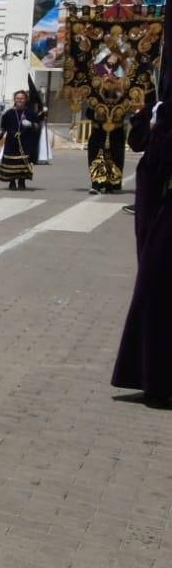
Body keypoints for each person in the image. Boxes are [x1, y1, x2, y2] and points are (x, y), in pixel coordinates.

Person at [112, 80, 170, 407]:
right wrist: (145, 120)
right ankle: (152, 377)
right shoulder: (156, 109)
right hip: (158, 204)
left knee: (156, 286)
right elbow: (139, 144)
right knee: (153, 288)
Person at [0, 89, 39, 190]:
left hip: (25, 141)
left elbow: (37, 127)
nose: (19, 100)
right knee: (11, 162)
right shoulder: (9, 113)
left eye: (22, 98)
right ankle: (12, 182)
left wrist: (31, 124)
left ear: (26, 100)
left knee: (23, 162)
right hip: (11, 141)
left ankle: (22, 182)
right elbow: (3, 127)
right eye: (17, 98)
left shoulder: (31, 113)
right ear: (14, 99)